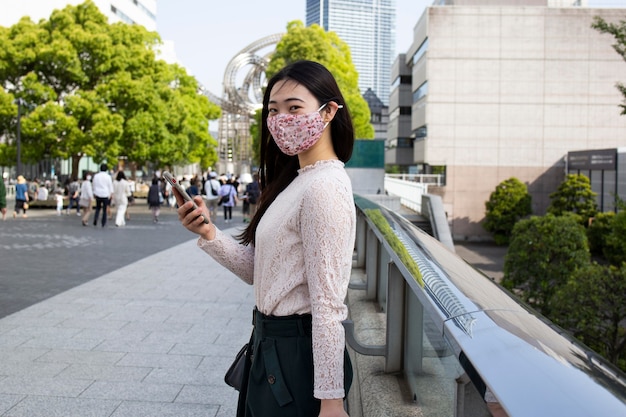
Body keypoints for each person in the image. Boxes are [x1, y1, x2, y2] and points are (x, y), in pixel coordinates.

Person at [174, 60, 355, 417]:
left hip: (295, 355)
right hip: (268, 347)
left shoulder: (324, 188)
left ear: (329, 111)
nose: (282, 119)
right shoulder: (296, 181)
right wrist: (209, 233)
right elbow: (264, 273)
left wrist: (332, 401)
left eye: (294, 108)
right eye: (273, 110)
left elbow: (328, 305)